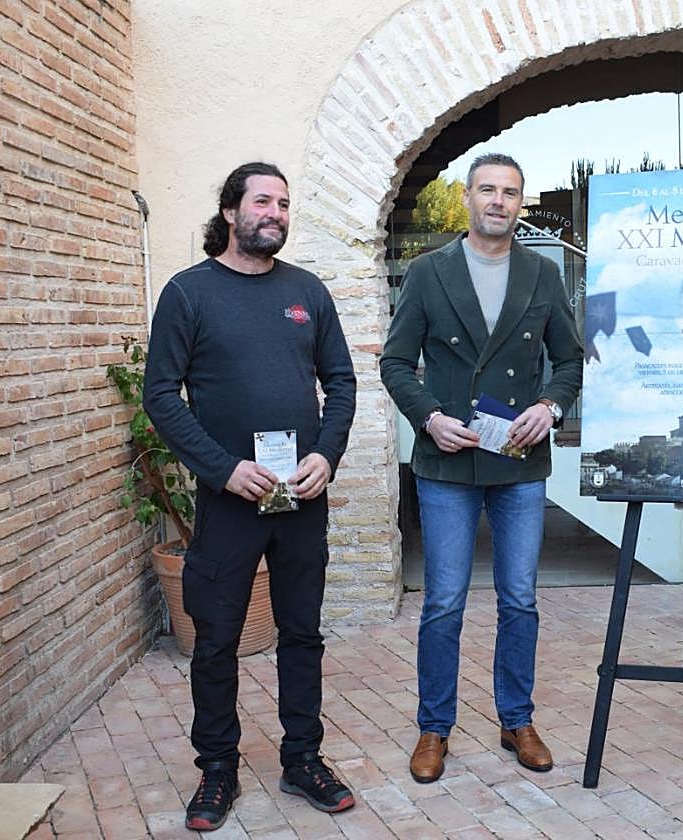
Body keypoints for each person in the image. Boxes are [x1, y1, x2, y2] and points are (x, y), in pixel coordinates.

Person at [143, 162, 357, 830]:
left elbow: (342, 383)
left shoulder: (307, 292)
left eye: (284, 204)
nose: (275, 213)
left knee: (302, 634)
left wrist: (326, 455)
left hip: (300, 499)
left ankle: (303, 760)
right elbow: (160, 395)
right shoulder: (189, 293)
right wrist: (222, 468)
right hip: (230, 501)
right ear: (230, 211)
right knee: (215, 640)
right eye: (263, 201)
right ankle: (217, 770)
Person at [380, 153, 583, 783]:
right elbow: (394, 363)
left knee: (519, 599)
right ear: (467, 197)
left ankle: (516, 719)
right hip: (448, 461)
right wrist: (429, 418)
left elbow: (569, 360)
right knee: (443, 602)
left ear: (521, 204)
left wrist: (550, 406)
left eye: (510, 192)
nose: (498, 200)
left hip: (518, 462)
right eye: (487, 189)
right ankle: (434, 727)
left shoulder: (543, 273)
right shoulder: (428, 271)